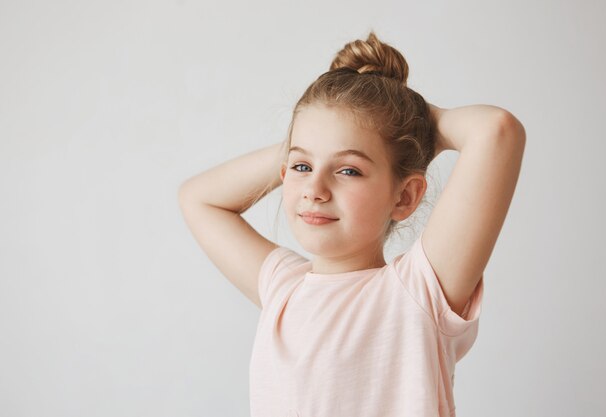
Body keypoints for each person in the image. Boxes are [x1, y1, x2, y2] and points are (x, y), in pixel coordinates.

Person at [178, 31, 525, 417]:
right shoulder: (283, 290)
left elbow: (496, 130)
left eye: (348, 170)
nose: (315, 189)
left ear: (405, 196)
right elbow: (198, 197)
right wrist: (316, 134)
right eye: (302, 167)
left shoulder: (419, 292)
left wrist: (411, 120)